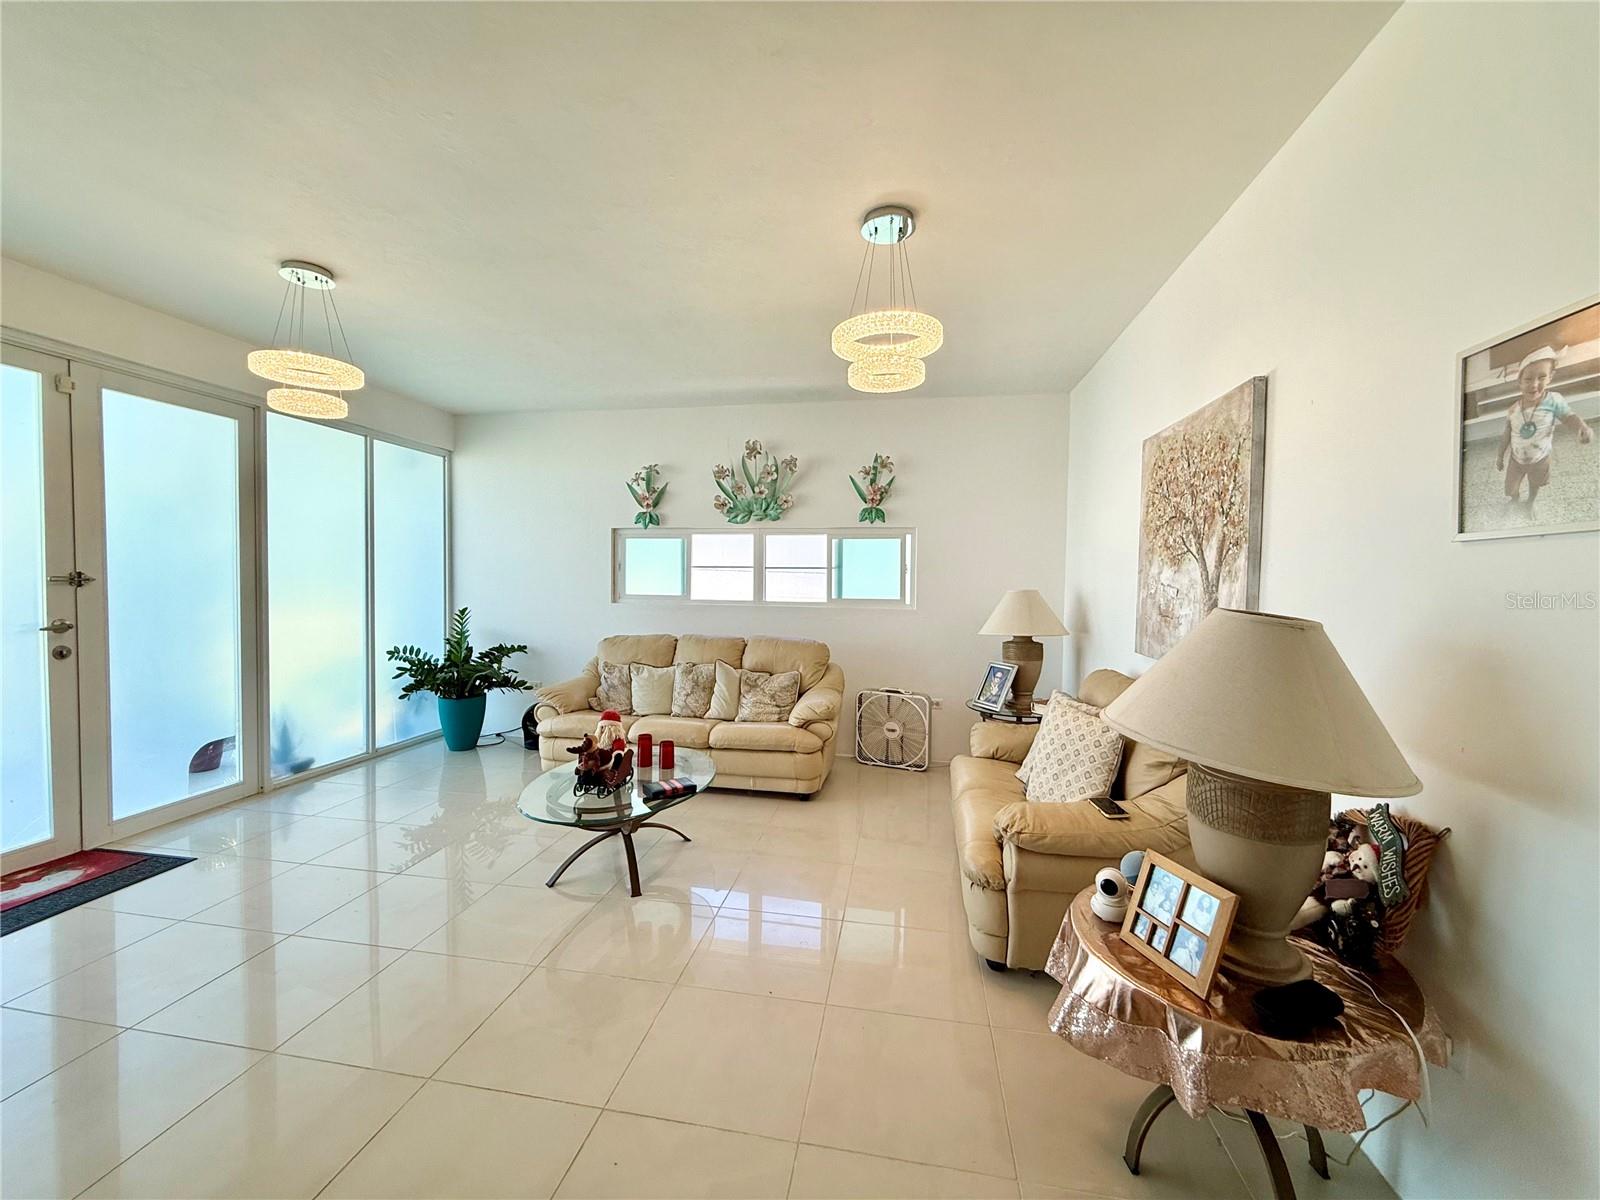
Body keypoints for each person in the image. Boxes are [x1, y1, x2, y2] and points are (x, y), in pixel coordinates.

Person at [1497, 345, 1593, 516]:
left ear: (1550, 377)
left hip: (1540, 459)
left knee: (1535, 484)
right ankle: (1515, 500)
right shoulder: (1513, 409)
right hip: (1516, 460)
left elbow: (1568, 417)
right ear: (1519, 382)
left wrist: (1581, 427)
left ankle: (1530, 503)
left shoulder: (1553, 400)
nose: (1534, 384)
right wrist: (1499, 456)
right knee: (1511, 487)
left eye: (1541, 377)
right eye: (1528, 379)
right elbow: (1506, 434)